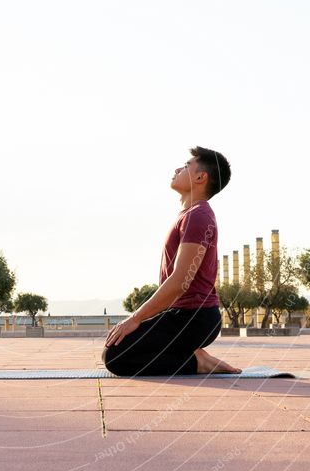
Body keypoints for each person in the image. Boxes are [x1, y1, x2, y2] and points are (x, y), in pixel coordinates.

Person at [101, 146, 242, 376]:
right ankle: (194, 355)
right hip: (183, 315)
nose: (178, 169)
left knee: (117, 357)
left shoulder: (199, 216)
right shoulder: (190, 215)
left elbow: (180, 281)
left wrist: (135, 319)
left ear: (200, 177)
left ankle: (200, 362)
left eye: (186, 165)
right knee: (118, 350)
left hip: (194, 317)